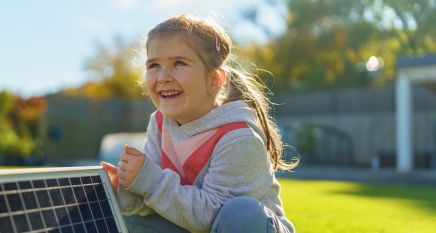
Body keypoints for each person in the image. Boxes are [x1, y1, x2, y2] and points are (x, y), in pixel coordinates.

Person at [101, 13, 297, 233]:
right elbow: (158, 203)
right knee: (113, 220)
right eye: (154, 65)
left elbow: (213, 219)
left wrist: (150, 181)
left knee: (242, 213)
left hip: (246, 226)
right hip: (190, 223)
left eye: (178, 63)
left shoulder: (238, 136)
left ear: (214, 80)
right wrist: (127, 189)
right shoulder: (159, 124)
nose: (163, 76)